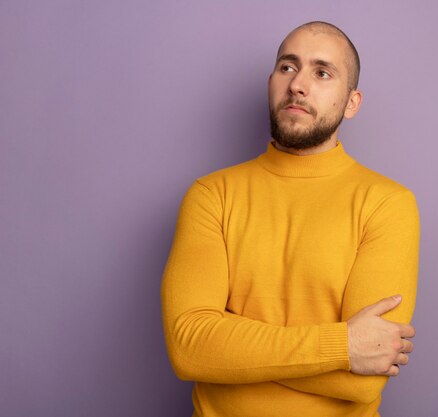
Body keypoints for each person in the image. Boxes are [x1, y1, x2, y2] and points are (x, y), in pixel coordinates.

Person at [161, 21, 420, 417]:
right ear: (271, 82)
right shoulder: (211, 195)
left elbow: (362, 380)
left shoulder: (387, 203)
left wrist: (232, 345)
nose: (298, 84)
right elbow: (190, 349)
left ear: (352, 103)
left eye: (322, 72)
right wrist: (341, 347)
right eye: (287, 67)